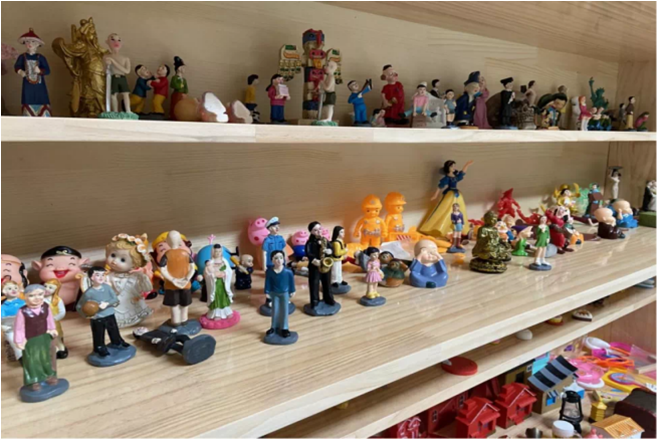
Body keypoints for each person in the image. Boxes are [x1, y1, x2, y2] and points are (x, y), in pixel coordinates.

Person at [14, 285, 59, 391]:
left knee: (46, 356)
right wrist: (19, 340)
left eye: (40, 294)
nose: (37, 298)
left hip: (44, 336)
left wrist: (52, 329)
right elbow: (19, 328)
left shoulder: (45, 307)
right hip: (30, 339)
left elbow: (49, 319)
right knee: (31, 359)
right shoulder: (23, 312)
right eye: (31, 295)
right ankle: (33, 380)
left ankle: (49, 375)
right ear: (25, 296)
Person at [76, 267, 129, 357]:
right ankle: (99, 347)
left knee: (114, 330)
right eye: (97, 275)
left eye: (103, 275)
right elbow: (79, 306)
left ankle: (117, 341)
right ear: (92, 277)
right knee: (98, 334)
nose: (101, 277)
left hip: (110, 314)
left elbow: (115, 299)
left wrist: (107, 304)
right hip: (97, 317)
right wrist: (86, 315)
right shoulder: (89, 293)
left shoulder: (107, 287)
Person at [419, 159, 474, 239]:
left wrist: (467, 165)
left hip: (457, 194)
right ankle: (441, 229)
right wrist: (435, 195)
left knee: (460, 210)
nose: (454, 167)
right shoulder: (447, 178)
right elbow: (440, 186)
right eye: (452, 166)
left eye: (454, 166)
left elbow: (462, 173)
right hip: (450, 194)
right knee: (446, 210)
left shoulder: (455, 176)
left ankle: (457, 229)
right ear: (448, 168)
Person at [158, 231, 195, 327]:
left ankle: (175, 321)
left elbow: (163, 269)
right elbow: (192, 268)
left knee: (174, 305)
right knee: (184, 304)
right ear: (179, 241)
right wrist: (187, 279)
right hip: (185, 284)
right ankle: (184, 320)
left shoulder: (166, 255)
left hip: (171, 286)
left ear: (167, 242)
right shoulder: (186, 253)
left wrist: (172, 280)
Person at [304, 221, 339, 315]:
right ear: (311, 232)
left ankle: (328, 299)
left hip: (325, 265)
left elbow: (331, 248)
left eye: (320, 229)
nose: (319, 231)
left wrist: (329, 251)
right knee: (314, 284)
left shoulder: (324, 240)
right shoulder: (310, 242)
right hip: (315, 266)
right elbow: (308, 253)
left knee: (327, 283)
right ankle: (315, 302)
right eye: (315, 230)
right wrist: (314, 260)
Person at [264, 250, 297, 344]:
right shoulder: (270, 272)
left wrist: (292, 290)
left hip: (284, 293)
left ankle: (284, 328)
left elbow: (291, 282)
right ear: (272, 260)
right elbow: (267, 282)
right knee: (275, 310)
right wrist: (267, 291)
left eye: (281, 258)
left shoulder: (288, 271)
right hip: (274, 293)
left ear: (284, 259)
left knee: (284, 310)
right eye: (276, 258)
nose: (279, 260)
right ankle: (273, 327)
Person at [15, 28, 50, 117]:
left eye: (33, 42)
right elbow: (17, 66)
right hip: (27, 84)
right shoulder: (22, 57)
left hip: (40, 85)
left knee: (42, 100)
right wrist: (20, 71)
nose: (30, 44)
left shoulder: (41, 57)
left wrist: (40, 71)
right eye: (27, 42)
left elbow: (47, 70)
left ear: (38, 44)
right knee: (27, 99)